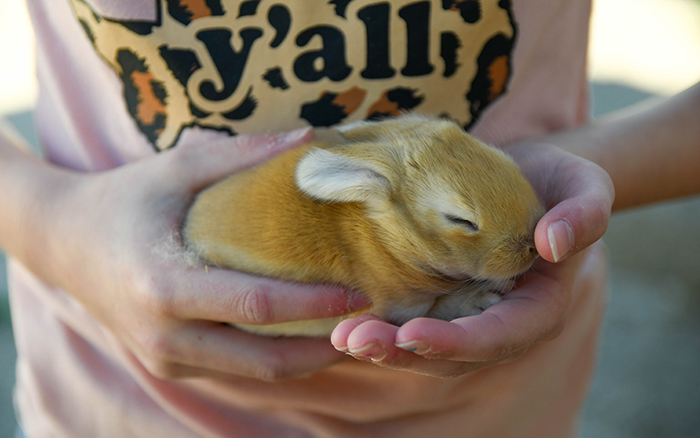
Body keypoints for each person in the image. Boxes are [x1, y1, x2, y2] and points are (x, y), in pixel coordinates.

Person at [0, 0, 697, 437]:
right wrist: (47, 221)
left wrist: (589, 177)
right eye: (459, 223)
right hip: (122, 397)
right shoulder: (360, 192)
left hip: (498, 408)